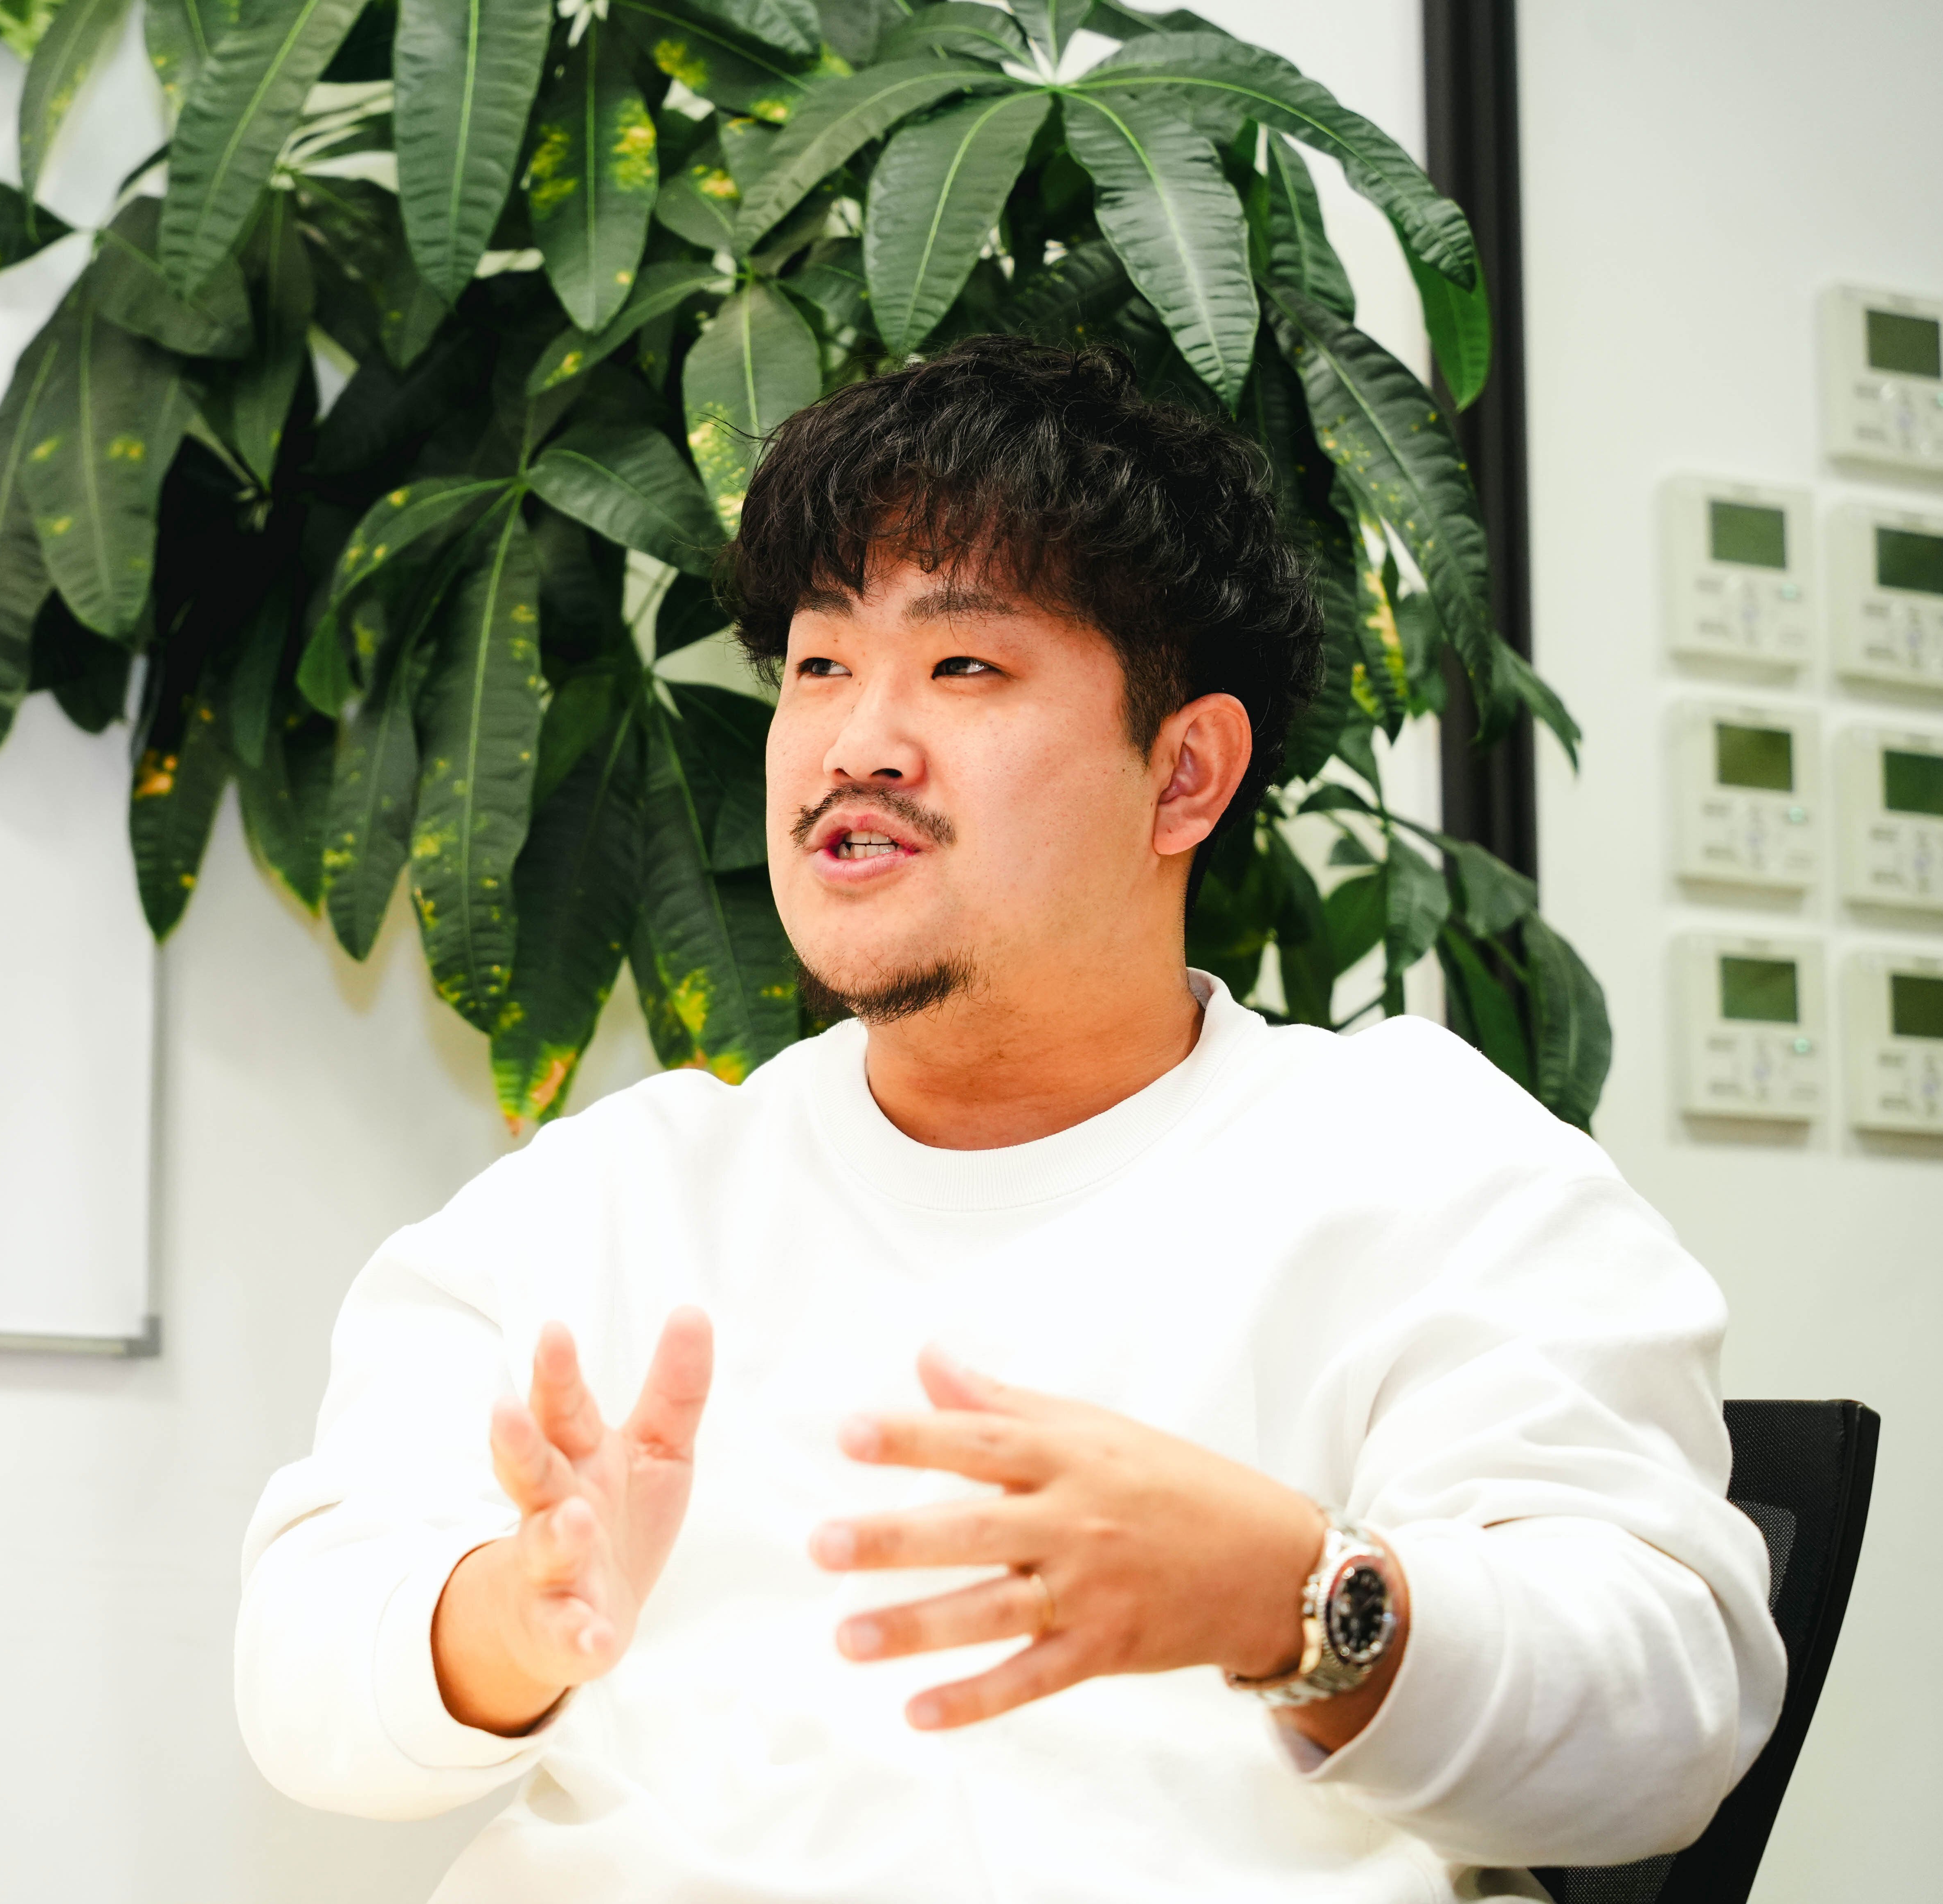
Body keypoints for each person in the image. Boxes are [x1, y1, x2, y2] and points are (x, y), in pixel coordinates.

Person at [233, 335, 1785, 1902]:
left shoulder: (1424, 1168)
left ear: (1185, 775)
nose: (857, 742)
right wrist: (508, 1620)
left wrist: (1294, 1600)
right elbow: (302, 1671)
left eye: (963, 667)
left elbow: (1668, 1713)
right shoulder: (618, 1198)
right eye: (818, 666)